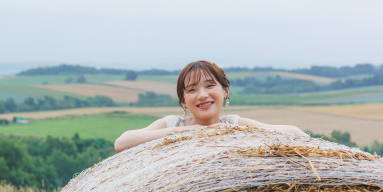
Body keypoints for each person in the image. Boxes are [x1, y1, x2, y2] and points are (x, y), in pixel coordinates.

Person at [114, 60, 306, 152]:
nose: (202, 95)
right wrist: (187, 132)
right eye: (192, 90)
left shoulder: (234, 123)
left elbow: (296, 133)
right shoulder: (172, 124)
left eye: (210, 86)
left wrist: (234, 131)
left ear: (225, 91)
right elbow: (122, 143)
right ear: (183, 101)